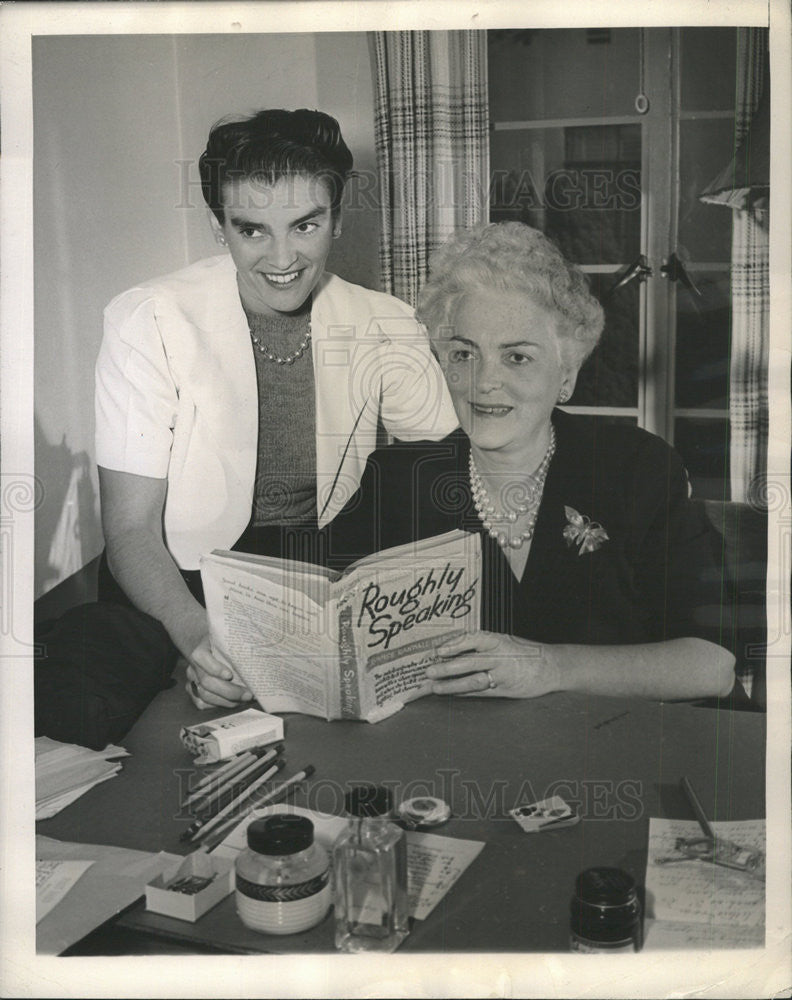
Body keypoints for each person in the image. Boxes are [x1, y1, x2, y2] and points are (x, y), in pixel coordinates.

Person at [94, 108, 457, 713]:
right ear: (220, 227)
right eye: (252, 230)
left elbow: (444, 489)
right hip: (180, 581)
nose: (281, 257)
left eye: (305, 225)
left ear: (338, 220)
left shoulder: (386, 322)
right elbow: (130, 530)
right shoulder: (148, 319)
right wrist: (197, 637)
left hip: (316, 572)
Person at [325, 222, 736, 702]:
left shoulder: (634, 469)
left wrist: (549, 667)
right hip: (459, 762)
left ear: (567, 374)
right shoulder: (400, 479)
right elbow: (297, 591)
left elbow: (712, 665)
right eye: (463, 353)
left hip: (618, 754)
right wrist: (214, 635)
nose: (483, 383)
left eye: (517, 357)